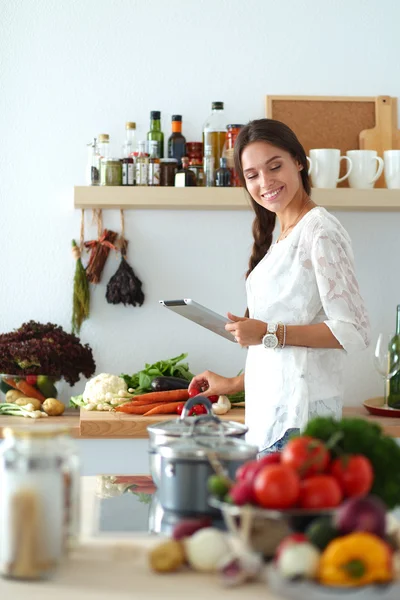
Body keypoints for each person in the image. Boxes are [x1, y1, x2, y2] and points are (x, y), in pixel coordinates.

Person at [189, 119, 370, 455]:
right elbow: (282, 354)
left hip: (299, 427)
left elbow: (354, 330)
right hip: (270, 421)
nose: (265, 182)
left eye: (275, 166)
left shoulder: (320, 231)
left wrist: (268, 332)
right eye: (253, 175)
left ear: (298, 162)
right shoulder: (284, 234)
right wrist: (233, 383)